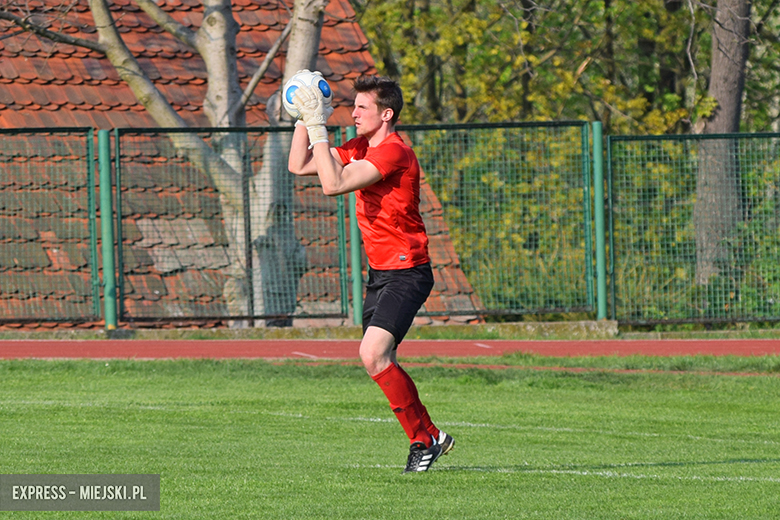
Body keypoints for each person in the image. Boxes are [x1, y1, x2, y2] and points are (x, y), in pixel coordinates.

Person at [287, 73, 454, 473]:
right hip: (380, 273)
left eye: (362, 108)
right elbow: (300, 165)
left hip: (407, 271)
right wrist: (301, 117)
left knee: (372, 354)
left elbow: (333, 185)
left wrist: (317, 126)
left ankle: (424, 439)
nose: (354, 113)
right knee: (383, 361)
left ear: (386, 114)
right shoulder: (362, 145)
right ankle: (429, 437)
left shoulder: (394, 152)